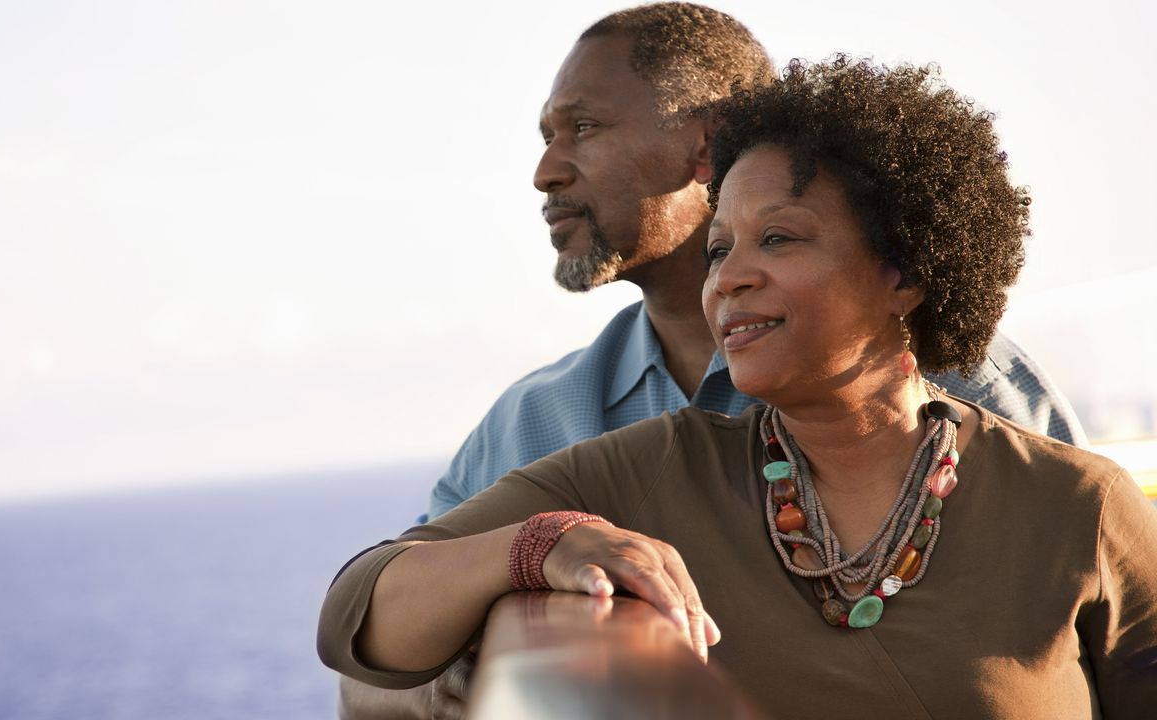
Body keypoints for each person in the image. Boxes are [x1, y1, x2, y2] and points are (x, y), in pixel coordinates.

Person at [320, 56, 1157, 717]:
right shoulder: (639, 472)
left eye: (779, 239)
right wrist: (541, 544)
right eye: (720, 249)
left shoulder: (1078, 504)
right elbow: (357, 609)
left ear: (905, 271)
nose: (729, 280)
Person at [426, 3, 1085, 523]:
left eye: (585, 128)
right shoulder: (532, 423)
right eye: (547, 138)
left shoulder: (951, 375)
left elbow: (1087, 604)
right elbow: (378, 650)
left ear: (708, 145)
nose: (546, 172)